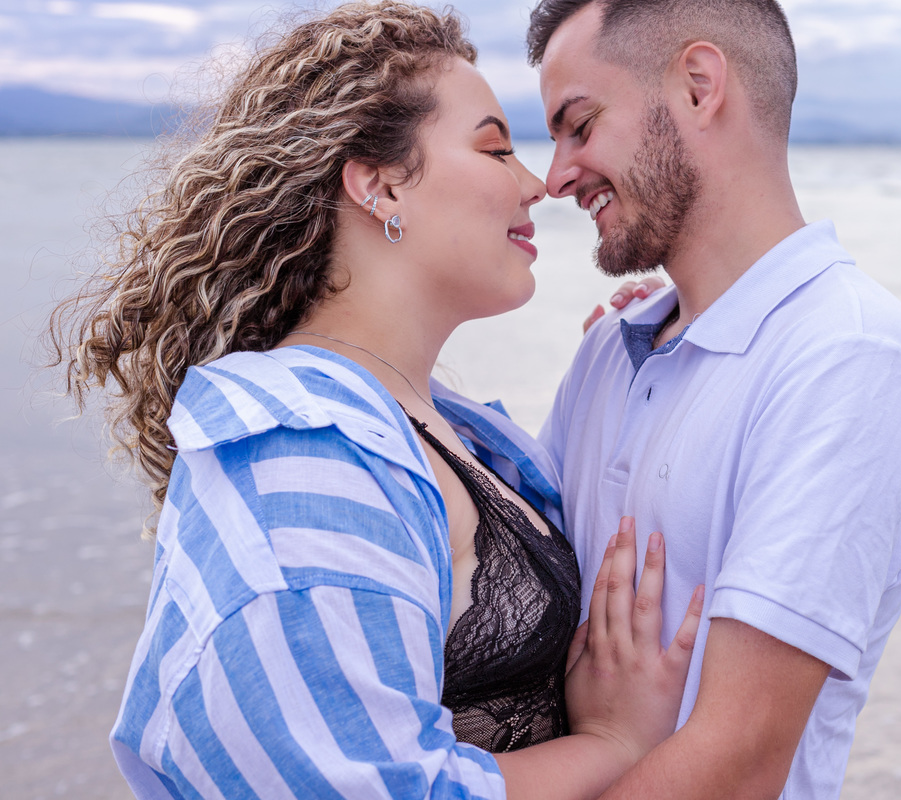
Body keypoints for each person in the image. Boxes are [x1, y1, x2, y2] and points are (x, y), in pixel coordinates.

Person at [48, 3, 702, 798]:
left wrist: (645, 356)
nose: (536, 184)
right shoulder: (302, 454)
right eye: (495, 147)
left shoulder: (444, 430)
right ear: (380, 183)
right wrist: (615, 739)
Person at [526, 1, 901, 798]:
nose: (554, 178)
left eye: (579, 125)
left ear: (697, 86)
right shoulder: (607, 354)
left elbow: (741, 762)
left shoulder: (848, 358)